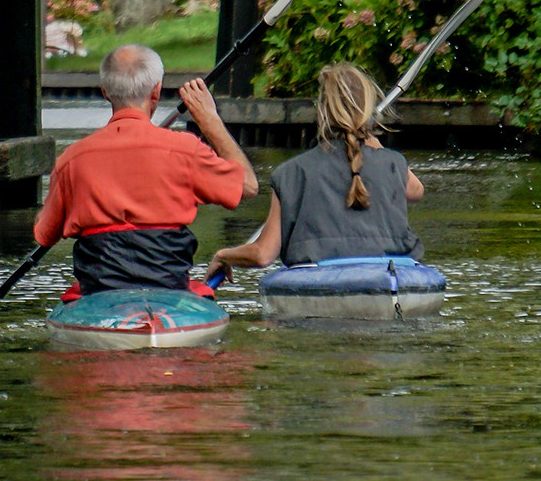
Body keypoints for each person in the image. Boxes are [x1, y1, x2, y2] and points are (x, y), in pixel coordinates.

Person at [33, 44, 258, 299]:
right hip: (168, 286)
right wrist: (210, 121)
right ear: (156, 92)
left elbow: (44, 235)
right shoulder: (186, 150)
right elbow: (249, 186)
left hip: (99, 291)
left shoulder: (71, 160)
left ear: (105, 93)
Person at [211, 63, 424, 273]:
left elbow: (262, 255)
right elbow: (416, 191)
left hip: (321, 283)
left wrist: (223, 255)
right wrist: (371, 139)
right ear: (367, 111)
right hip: (389, 280)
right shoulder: (392, 163)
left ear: (322, 112)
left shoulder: (290, 173)